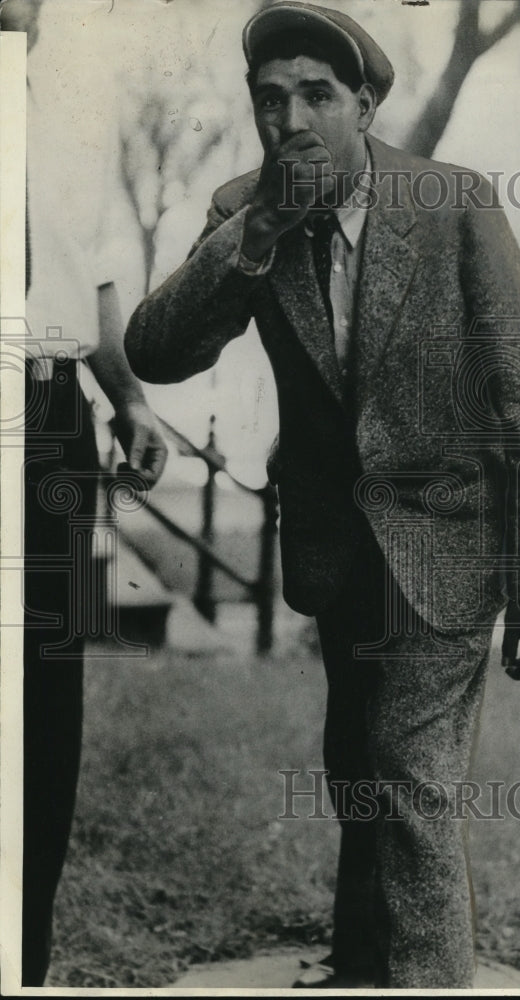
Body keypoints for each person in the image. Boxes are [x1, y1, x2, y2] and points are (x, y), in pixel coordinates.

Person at [125, 2, 520, 988]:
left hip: (451, 543)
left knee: (411, 780)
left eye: (316, 96)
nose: (289, 119)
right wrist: (253, 239)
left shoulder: (453, 203)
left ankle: (425, 980)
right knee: (358, 764)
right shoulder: (246, 209)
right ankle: (367, 959)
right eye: (270, 99)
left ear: (364, 103)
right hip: (339, 550)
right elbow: (155, 353)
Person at [0, 0, 169, 984]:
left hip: (55, 421)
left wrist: (130, 399)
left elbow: (88, 274)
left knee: (47, 697)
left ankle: (26, 957)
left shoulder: (70, 109)